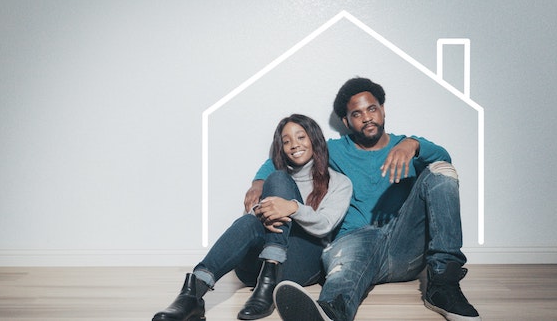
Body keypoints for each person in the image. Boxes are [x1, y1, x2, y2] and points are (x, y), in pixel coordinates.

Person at [246, 77, 481, 321]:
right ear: (347, 121)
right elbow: (285, 156)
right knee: (349, 265)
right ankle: (330, 312)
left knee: (441, 170)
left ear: (383, 110)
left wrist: (414, 144)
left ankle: (444, 284)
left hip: (403, 248)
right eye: (357, 114)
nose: (367, 117)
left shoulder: (407, 147)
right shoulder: (334, 149)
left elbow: (445, 161)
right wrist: (259, 182)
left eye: (372, 109)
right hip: (353, 244)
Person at [152, 114, 352, 321]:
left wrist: (291, 207)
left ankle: (269, 279)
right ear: (280, 148)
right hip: (253, 271)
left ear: (314, 139)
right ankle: (192, 294)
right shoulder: (276, 180)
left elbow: (325, 225)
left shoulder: (339, 182)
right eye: (286, 141)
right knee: (253, 214)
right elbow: (250, 226)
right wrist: (261, 211)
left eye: (301, 137)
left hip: (302, 264)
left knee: (278, 179)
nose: (294, 145)